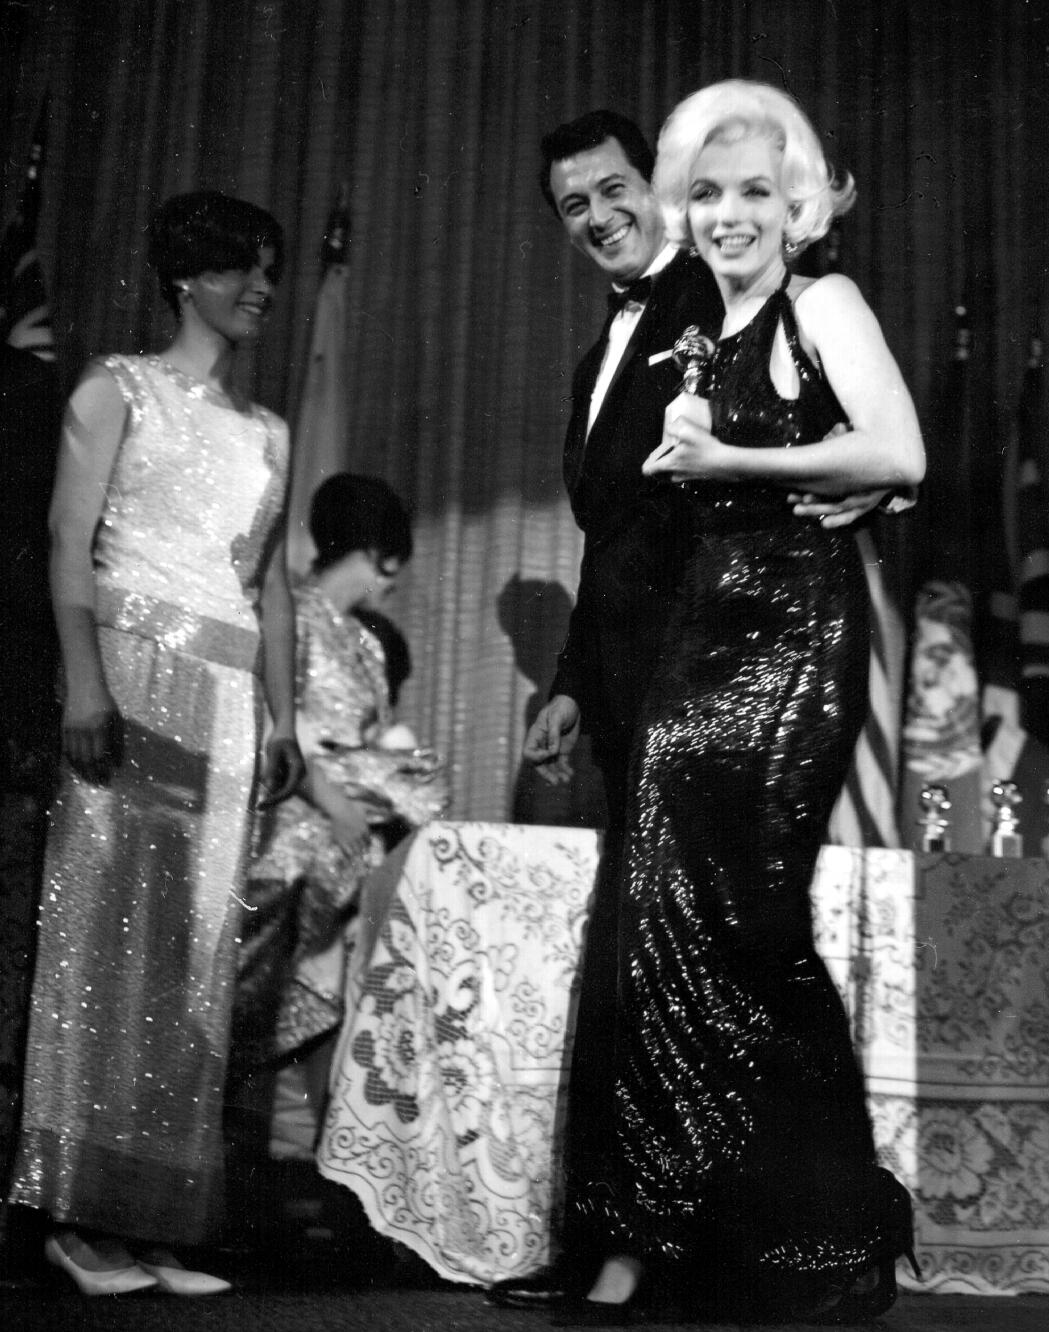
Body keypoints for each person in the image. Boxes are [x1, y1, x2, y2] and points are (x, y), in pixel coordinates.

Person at [492, 110, 901, 1312]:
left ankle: (724, 1244)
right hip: (637, 686)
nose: (601, 218)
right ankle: (640, 1240)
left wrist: (857, 498)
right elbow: (611, 538)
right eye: (576, 207)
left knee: (728, 948)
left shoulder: (717, 293)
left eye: (617, 191)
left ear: (659, 194)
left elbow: (847, 439)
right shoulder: (602, 355)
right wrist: (572, 682)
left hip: (734, 667)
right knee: (648, 964)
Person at [6, 191, 305, 1296]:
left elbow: (268, 582)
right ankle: (78, 1223)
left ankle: (148, 1220)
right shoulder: (114, 390)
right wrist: (84, 683)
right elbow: (66, 545)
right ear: (190, 277)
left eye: (271, 270)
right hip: (132, 680)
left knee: (189, 960)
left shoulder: (268, 431)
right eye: (246, 269)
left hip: (227, 703)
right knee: (108, 942)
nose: (264, 288)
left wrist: (280, 711)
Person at [230, 472, 446, 1161]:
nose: (392, 581)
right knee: (259, 997)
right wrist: (339, 800)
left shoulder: (370, 644)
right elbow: (271, 725)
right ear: (382, 553)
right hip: (292, 822)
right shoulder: (288, 615)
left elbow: (376, 742)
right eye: (392, 565)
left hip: (354, 839)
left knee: (349, 999)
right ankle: (245, 1163)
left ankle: (331, 1167)